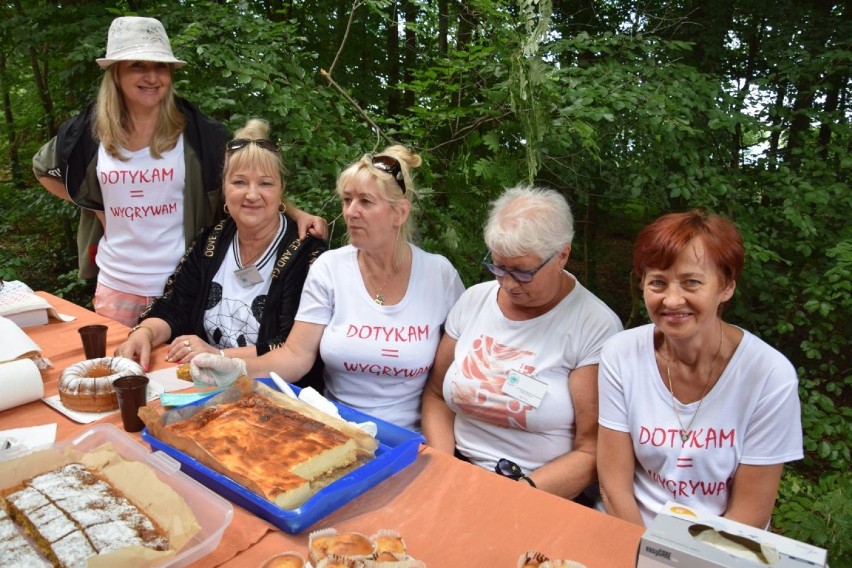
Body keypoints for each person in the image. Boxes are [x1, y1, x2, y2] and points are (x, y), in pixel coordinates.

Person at [32, 16, 325, 328]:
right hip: (116, 286)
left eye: (160, 67)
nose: (152, 76)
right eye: (137, 66)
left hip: (184, 285)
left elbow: (246, 179)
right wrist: (94, 205)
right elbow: (43, 169)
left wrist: (293, 213)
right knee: (119, 372)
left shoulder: (200, 134)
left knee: (180, 375)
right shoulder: (88, 131)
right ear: (115, 72)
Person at [189, 145, 465, 431]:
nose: (351, 212)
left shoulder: (439, 275)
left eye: (366, 202)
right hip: (335, 430)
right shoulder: (329, 268)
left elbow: (450, 381)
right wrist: (231, 367)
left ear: (400, 213)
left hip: (409, 439)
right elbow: (295, 356)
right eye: (347, 200)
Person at [597, 210, 803, 528]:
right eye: (658, 283)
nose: (672, 300)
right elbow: (614, 487)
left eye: (691, 282)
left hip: (720, 545)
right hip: (630, 530)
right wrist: (645, 554)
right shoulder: (621, 354)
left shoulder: (769, 376)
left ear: (726, 287)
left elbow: (749, 514)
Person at [420, 186, 623, 501]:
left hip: (540, 490)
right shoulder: (474, 300)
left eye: (522, 272)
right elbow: (435, 396)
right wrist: (444, 464)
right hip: (457, 469)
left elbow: (592, 449)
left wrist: (519, 494)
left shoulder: (593, 324)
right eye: (499, 267)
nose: (507, 283)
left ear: (562, 255)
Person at [115, 119, 326, 391]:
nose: (252, 194)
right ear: (224, 189)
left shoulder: (307, 255)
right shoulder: (210, 241)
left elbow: (289, 347)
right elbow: (175, 305)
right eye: (239, 182)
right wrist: (145, 332)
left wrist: (219, 357)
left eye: (265, 183)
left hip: (275, 395)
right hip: (204, 385)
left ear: (281, 190)